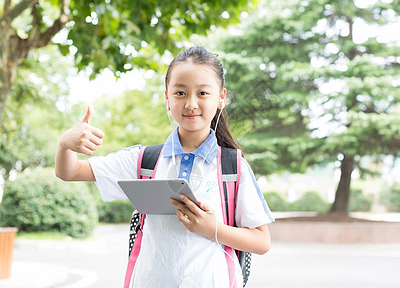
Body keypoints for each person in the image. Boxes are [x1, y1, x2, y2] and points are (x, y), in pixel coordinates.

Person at [55, 46, 274, 287]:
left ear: (220, 98)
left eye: (202, 93)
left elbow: (262, 242)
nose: (191, 103)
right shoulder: (144, 160)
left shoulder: (233, 167)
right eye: (180, 93)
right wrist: (65, 145)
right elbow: (70, 172)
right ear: (167, 99)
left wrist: (211, 228)